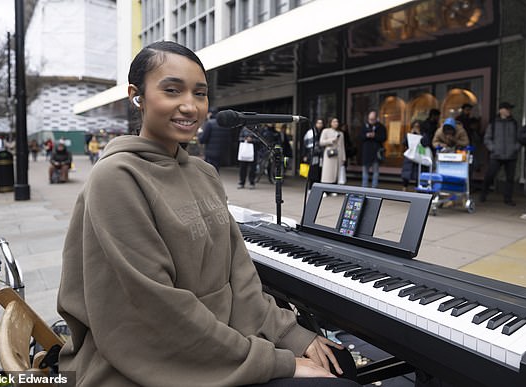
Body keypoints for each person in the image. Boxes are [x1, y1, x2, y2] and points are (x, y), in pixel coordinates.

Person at [57, 41, 358, 387]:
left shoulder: (204, 173)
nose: (190, 106)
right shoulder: (116, 178)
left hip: (223, 340)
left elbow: (240, 275)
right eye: (172, 90)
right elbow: (154, 312)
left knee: (340, 363)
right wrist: (278, 362)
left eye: (200, 94)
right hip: (157, 360)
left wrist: (292, 335)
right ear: (136, 95)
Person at [480, 102, 520, 206]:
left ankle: (508, 199)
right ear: (501, 110)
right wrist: (493, 149)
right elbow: (487, 138)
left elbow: (519, 138)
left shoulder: (514, 123)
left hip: (511, 155)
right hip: (496, 155)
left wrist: (516, 148)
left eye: (510, 109)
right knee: (490, 175)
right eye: (507, 109)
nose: (509, 111)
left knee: (510, 178)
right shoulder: (493, 123)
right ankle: (483, 194)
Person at [198, 108, 231, 173]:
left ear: (210, 114)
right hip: (221, 152)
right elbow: (228, 139)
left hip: (210, 153)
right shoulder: (224, 124)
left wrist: (200, 133)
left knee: (209, 172)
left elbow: (202, 140)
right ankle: (216, 182)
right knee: (216, 171)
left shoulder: (209, 123)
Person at [360, 110, 386, 188]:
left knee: (376, 172)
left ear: (376, 118)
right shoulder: (364, 126)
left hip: (376, 152)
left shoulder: (381, 127)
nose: (371, 121)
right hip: (366, 152)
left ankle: (374, 189)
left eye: (373, 119)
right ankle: (364, 188)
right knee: (365, 171)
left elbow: (384, 138)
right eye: (370, 119)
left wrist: (375, 136)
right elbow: (359, 137)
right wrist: (366, 135)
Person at [319, 117, 346, 189]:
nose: (336, 123)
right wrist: (331, 140)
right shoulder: (325, 131)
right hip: (329, 154)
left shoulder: (341, 133)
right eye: (334, 122)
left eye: (337, 122)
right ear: (330, 123)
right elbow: (321, 142)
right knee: (327, 173)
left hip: (338, 155)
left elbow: (342, 146)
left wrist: (343, 157)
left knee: (336, 173)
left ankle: (334, 189)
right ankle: (325, 189)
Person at [401, 120, 423, 191]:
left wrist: (419, 134)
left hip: (418, 155)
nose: (416, 128)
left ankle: (417, 188)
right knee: (406, 173)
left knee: (417, 173)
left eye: (418, 127)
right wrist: (411, 134)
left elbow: (425, 143)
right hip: (409, 156)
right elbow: (404, 143)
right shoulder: (408, 134)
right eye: (414, 126)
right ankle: (405, 187)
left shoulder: (422, 135)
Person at [303, 119, 324, 189]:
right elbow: (307, 144)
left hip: (320, 155)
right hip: (312, 154)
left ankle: (317, 187)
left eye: (321, 123)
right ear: (315, 123)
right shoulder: (311, 132)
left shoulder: (322, 132)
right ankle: (310, 188)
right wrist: (305, 155)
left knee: (319, 171)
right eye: (318, 123)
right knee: (313, 171)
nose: (320, 124)